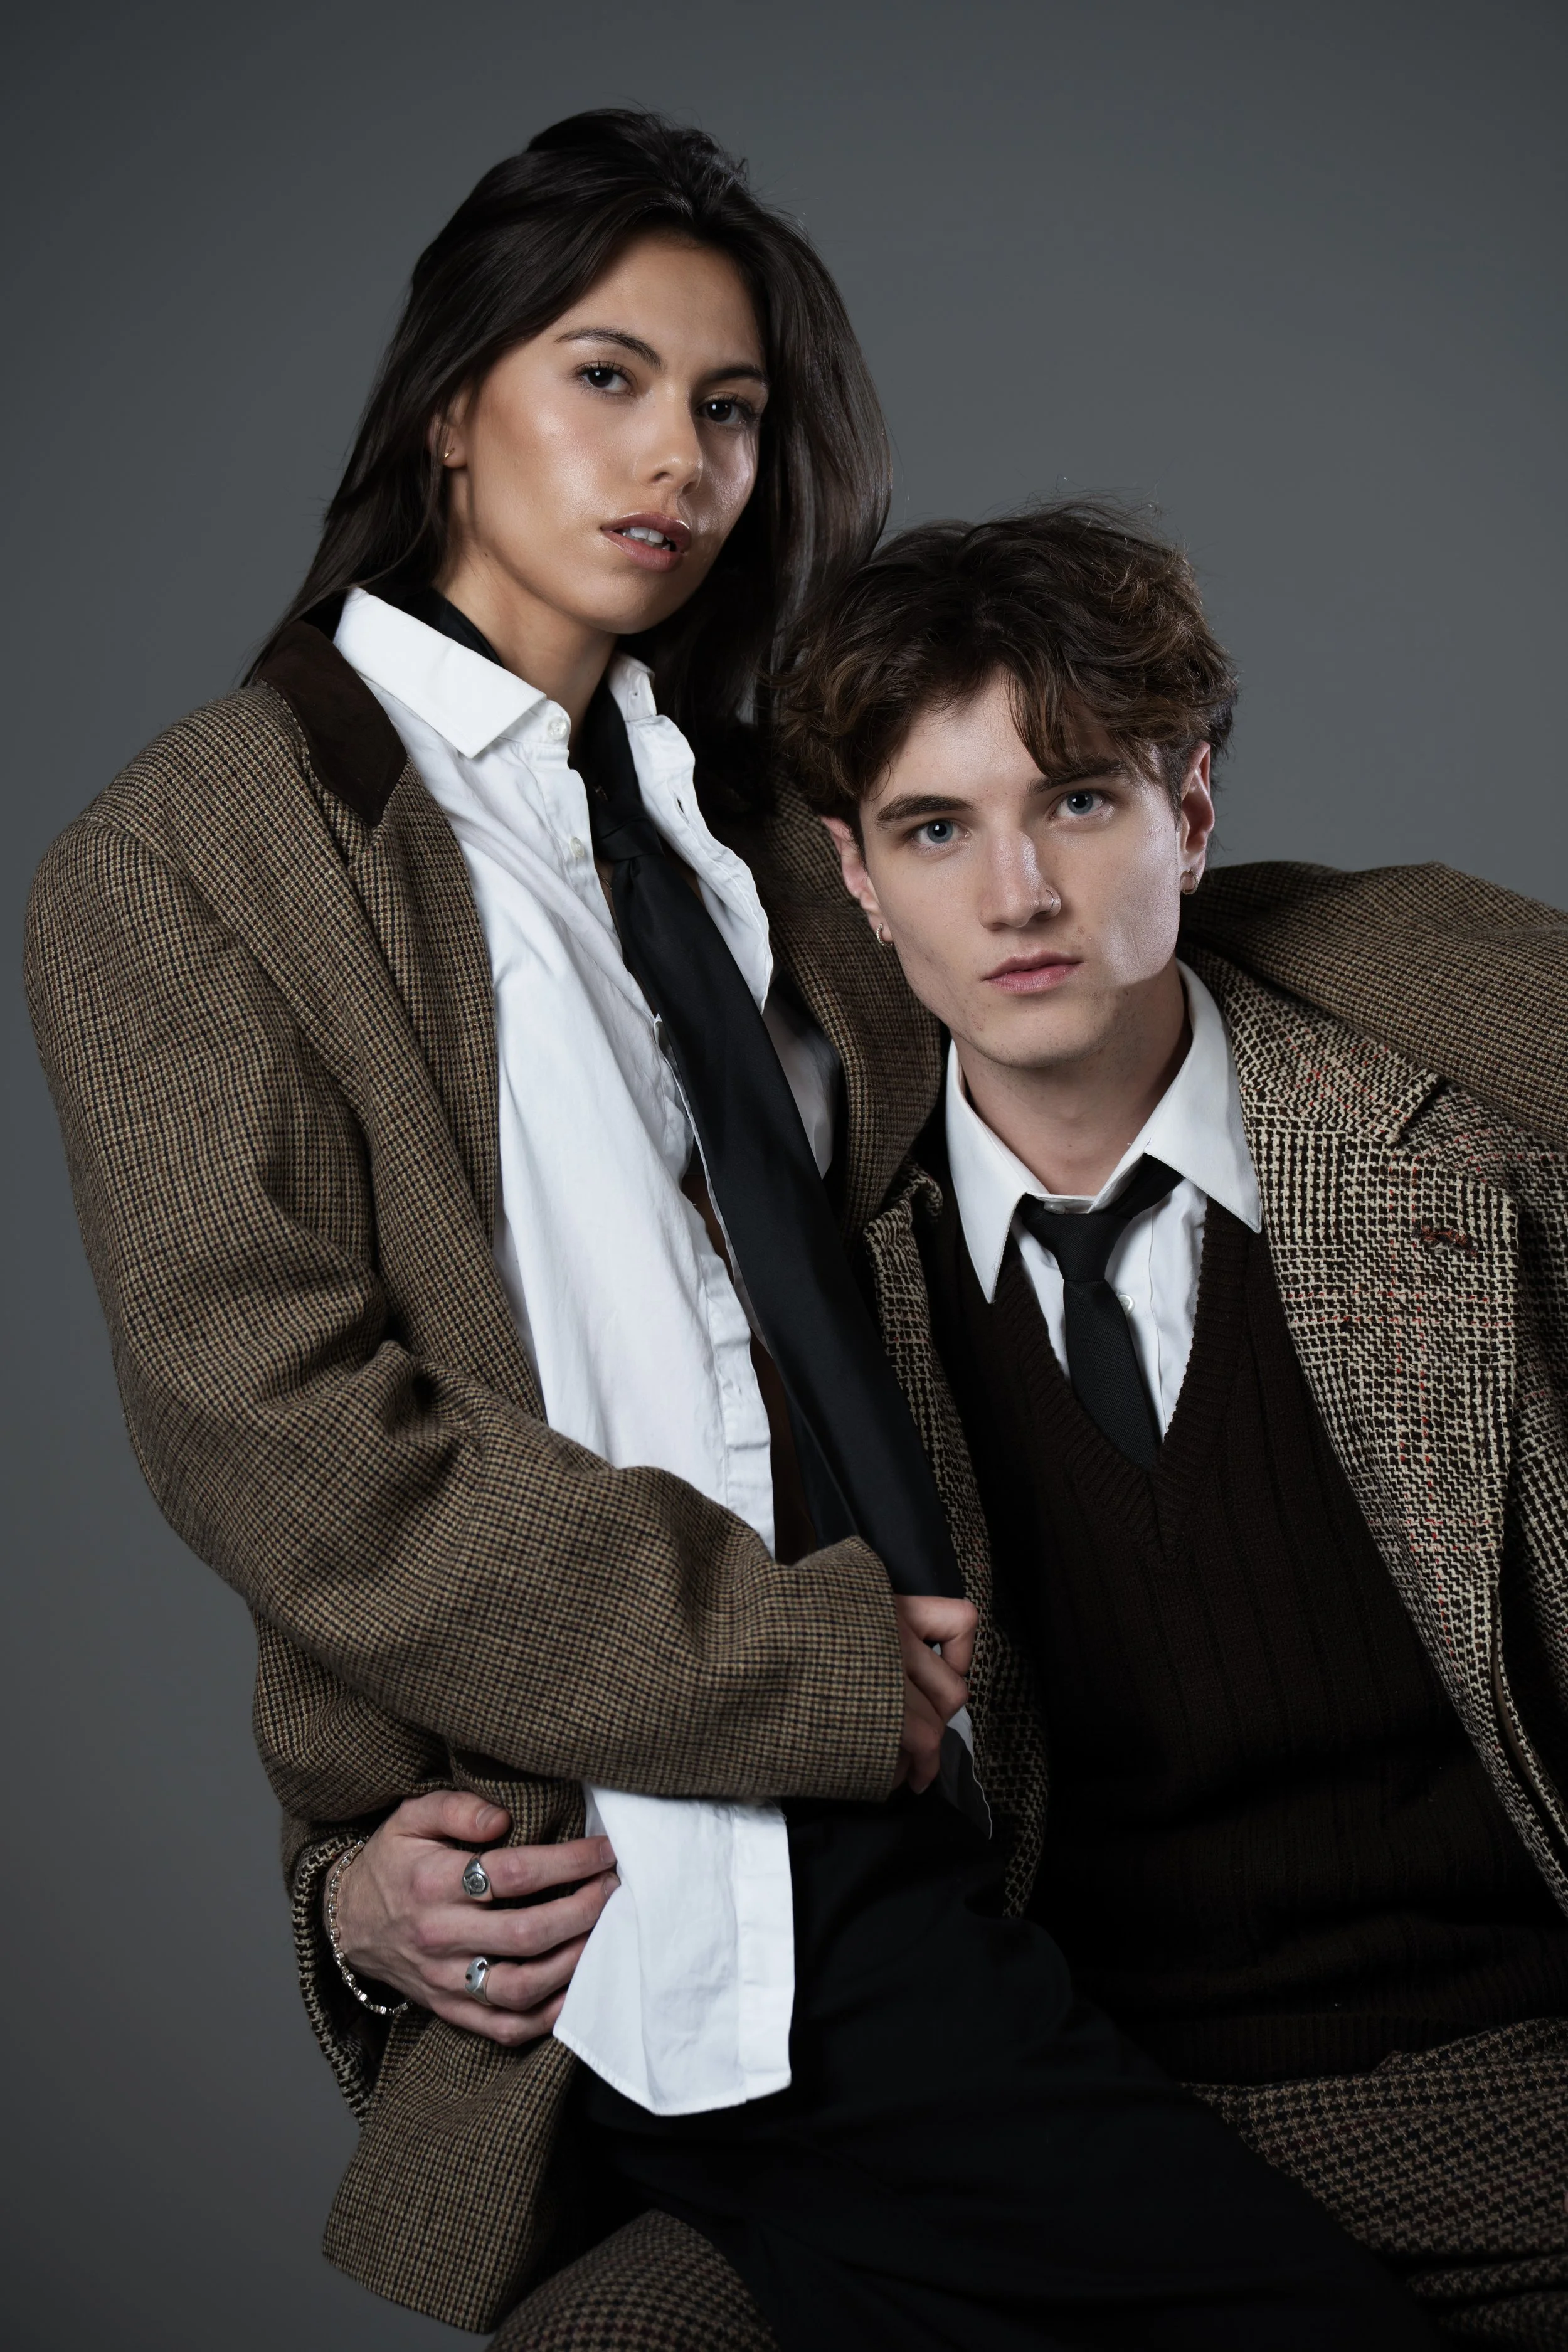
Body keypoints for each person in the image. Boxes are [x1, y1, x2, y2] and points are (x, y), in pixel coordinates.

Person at [26, 109, 1478, 2350]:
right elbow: (278, 1435)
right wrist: (759, 1684)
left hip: (980, 1809)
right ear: (448, 407)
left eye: (727, 408)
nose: (677, 461)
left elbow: (1091, 949)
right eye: (604, 378)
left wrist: (1478, 975)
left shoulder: (742, 821)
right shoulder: (206, 856)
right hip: (695, 1842)